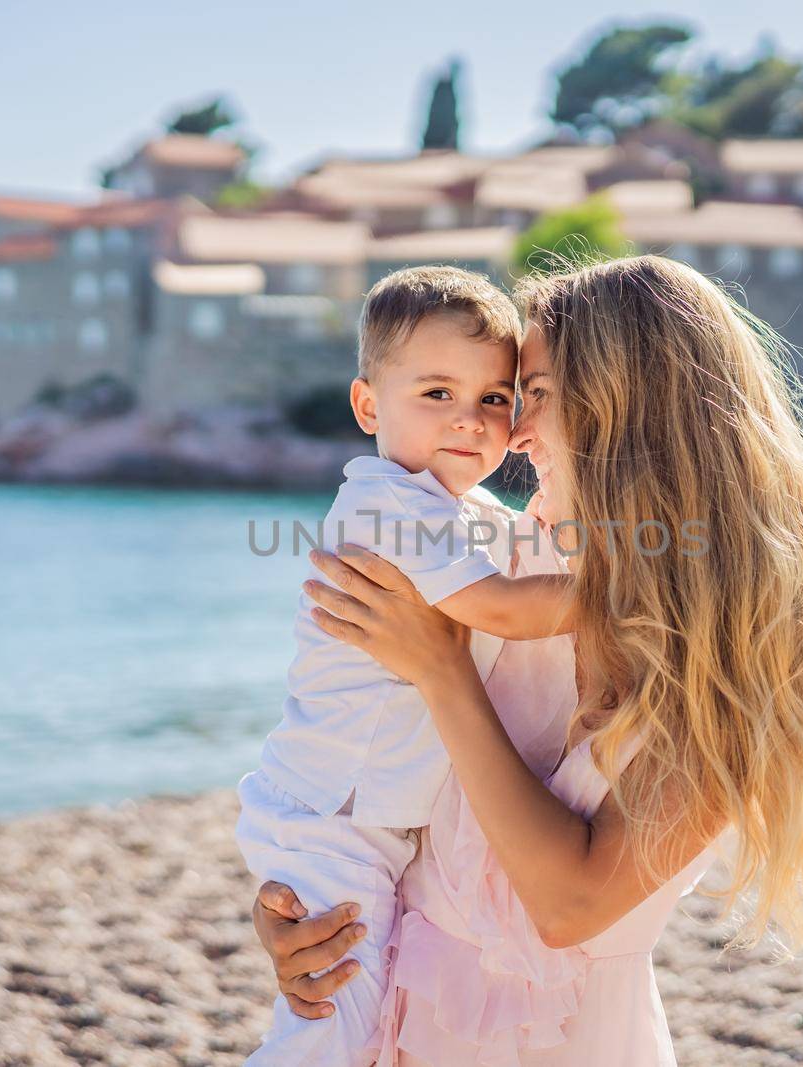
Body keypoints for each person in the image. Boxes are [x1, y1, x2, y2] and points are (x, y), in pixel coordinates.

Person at [253, 256, 803, 1064]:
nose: (511, 431)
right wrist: (305, 908)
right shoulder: (497, 559)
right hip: (406, 1021)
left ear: (627, 415)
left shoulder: (727, 661)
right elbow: (354, 754)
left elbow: (569, 904)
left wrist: (445, 673)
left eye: (531, 394)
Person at [236, 266, 575, 1066]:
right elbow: (497, 607)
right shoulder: (388, 500)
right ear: (367, 406)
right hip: (335, 813)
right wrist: (639, 587)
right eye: (436, 394)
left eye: (495, 398)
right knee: (332, 1023)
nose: (470, 420)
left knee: (357, 1019)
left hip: (369, 815)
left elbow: (529, 564)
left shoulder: (467, 511)